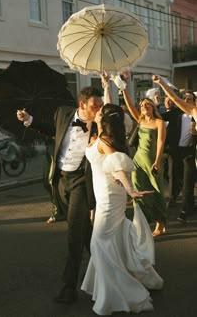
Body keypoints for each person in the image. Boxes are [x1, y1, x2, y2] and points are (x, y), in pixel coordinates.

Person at [17, 84, 104, 304]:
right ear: (82, 105)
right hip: (61, 180)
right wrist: (30, 119)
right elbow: (52, 130)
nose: (99, 110)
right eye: (95, 106)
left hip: (81, 182)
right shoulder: (65, 112)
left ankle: (69, 288)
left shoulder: (100, 124)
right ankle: (108, 271)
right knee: (86, 235)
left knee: (74, 234)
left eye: (101, 105)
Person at [81, 104, 163, 315]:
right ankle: (112, 286)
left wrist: (131, 190)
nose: (97, 111)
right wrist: (107, 85)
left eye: (101, 112)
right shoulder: (100, 136)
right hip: (103, 195)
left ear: (105, 120)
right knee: (109, 240)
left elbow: (119, 169)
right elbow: (106, 115)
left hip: (110, 196)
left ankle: (119, 291)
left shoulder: (105, 143)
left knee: (99, 242)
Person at [121, 79, 167, 237]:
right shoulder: (140, 120)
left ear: (153, 107)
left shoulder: (159, 122)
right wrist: (123, 89)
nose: (144, 107)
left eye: (147, 105)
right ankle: (142, 220)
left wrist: (157, 161)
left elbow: (161, 142)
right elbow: (129, 106)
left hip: (152, 161)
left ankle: (160, 223)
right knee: (137, 189)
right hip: (138, 159)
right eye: (142, 106)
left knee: (156, 190)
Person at [161, 93, 196, 222]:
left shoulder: (195, 115)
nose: (186, 101)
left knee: (188, 183)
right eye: (185, 98)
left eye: (189, 99)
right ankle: (180, 200)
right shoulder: (175, 113)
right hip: (176, 151)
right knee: (174, 176)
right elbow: (159, 117)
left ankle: (185, 210)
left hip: (191, 153)